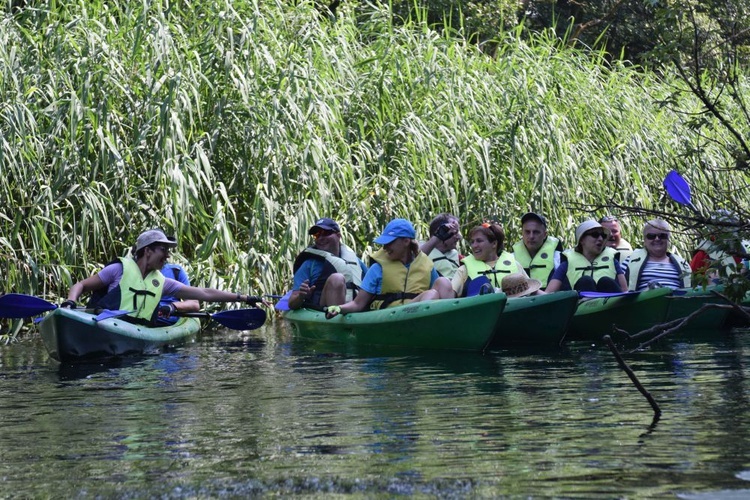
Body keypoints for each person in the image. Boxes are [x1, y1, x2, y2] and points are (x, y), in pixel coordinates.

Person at [61, 229, 265, 325]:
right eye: (163, 250)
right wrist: (70, 301)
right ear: (147, 251)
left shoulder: (162, 282)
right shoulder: (117, 270)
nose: (167, 256)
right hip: (106, 322)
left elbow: (203, 293)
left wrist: (244, 298)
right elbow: (81, 285)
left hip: (136, 329)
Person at [325, 218, 454, 318]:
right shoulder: (378, 268)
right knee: (431, 294)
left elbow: (443, 292)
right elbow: (357, 304)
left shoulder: (425, 265)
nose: (385, 248)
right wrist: (339, 308)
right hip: (389, 317)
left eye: (389, 242)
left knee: (444, 282)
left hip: (416, 313)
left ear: (406, 241)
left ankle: (451, 325)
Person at [288, 218, 368, 310]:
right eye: (317, 235)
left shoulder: (356, 262)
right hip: (323, 311)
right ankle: (336, 320)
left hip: (355, 308)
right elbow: (291, 303)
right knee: (337, 278)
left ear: (338, 236)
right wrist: (301, 296)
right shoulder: (309, 264)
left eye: (326, 233)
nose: (321, 238)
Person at [546, 219, 628, 293]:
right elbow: (548, 294)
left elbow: (625, 292)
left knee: (605, 281)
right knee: (585, 281)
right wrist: (534, 290)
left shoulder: (612, 260)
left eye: (603, 235)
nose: (600, 239)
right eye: (595, 235)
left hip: (611, 306)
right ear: (582, 240)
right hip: (582, 306)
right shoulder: (567, 264)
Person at [451, 222, 531, 297]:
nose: (474, 245)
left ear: (494, 244)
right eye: (472, 242)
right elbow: (449, 297)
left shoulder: (515, 265)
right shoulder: (464, 270)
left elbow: (532, 290)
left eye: (479, 241)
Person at [622, 219, 691, 291]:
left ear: (669, 239)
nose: (657, 239)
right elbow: (617, 287)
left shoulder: (683, 264)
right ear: (644, 240)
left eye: (662, 235)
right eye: (651, 236)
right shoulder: (631, 260)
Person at [690, 209, 749, 280]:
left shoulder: (746, 250)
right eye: (724, 231)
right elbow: (692, 283)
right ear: (714, 232)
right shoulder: (702, 255)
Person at [511, 212, 562, 289]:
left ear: (545, 235)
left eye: (536, 232)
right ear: (522, 233)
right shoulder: (511, 259)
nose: (531, 236)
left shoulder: (558, 258)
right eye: (527, 232)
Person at [419, 213, 462, 279]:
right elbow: (413, 260)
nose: (459, 237)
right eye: (455, 232)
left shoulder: (458, 257)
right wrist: (438, 237)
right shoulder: (421, 250)